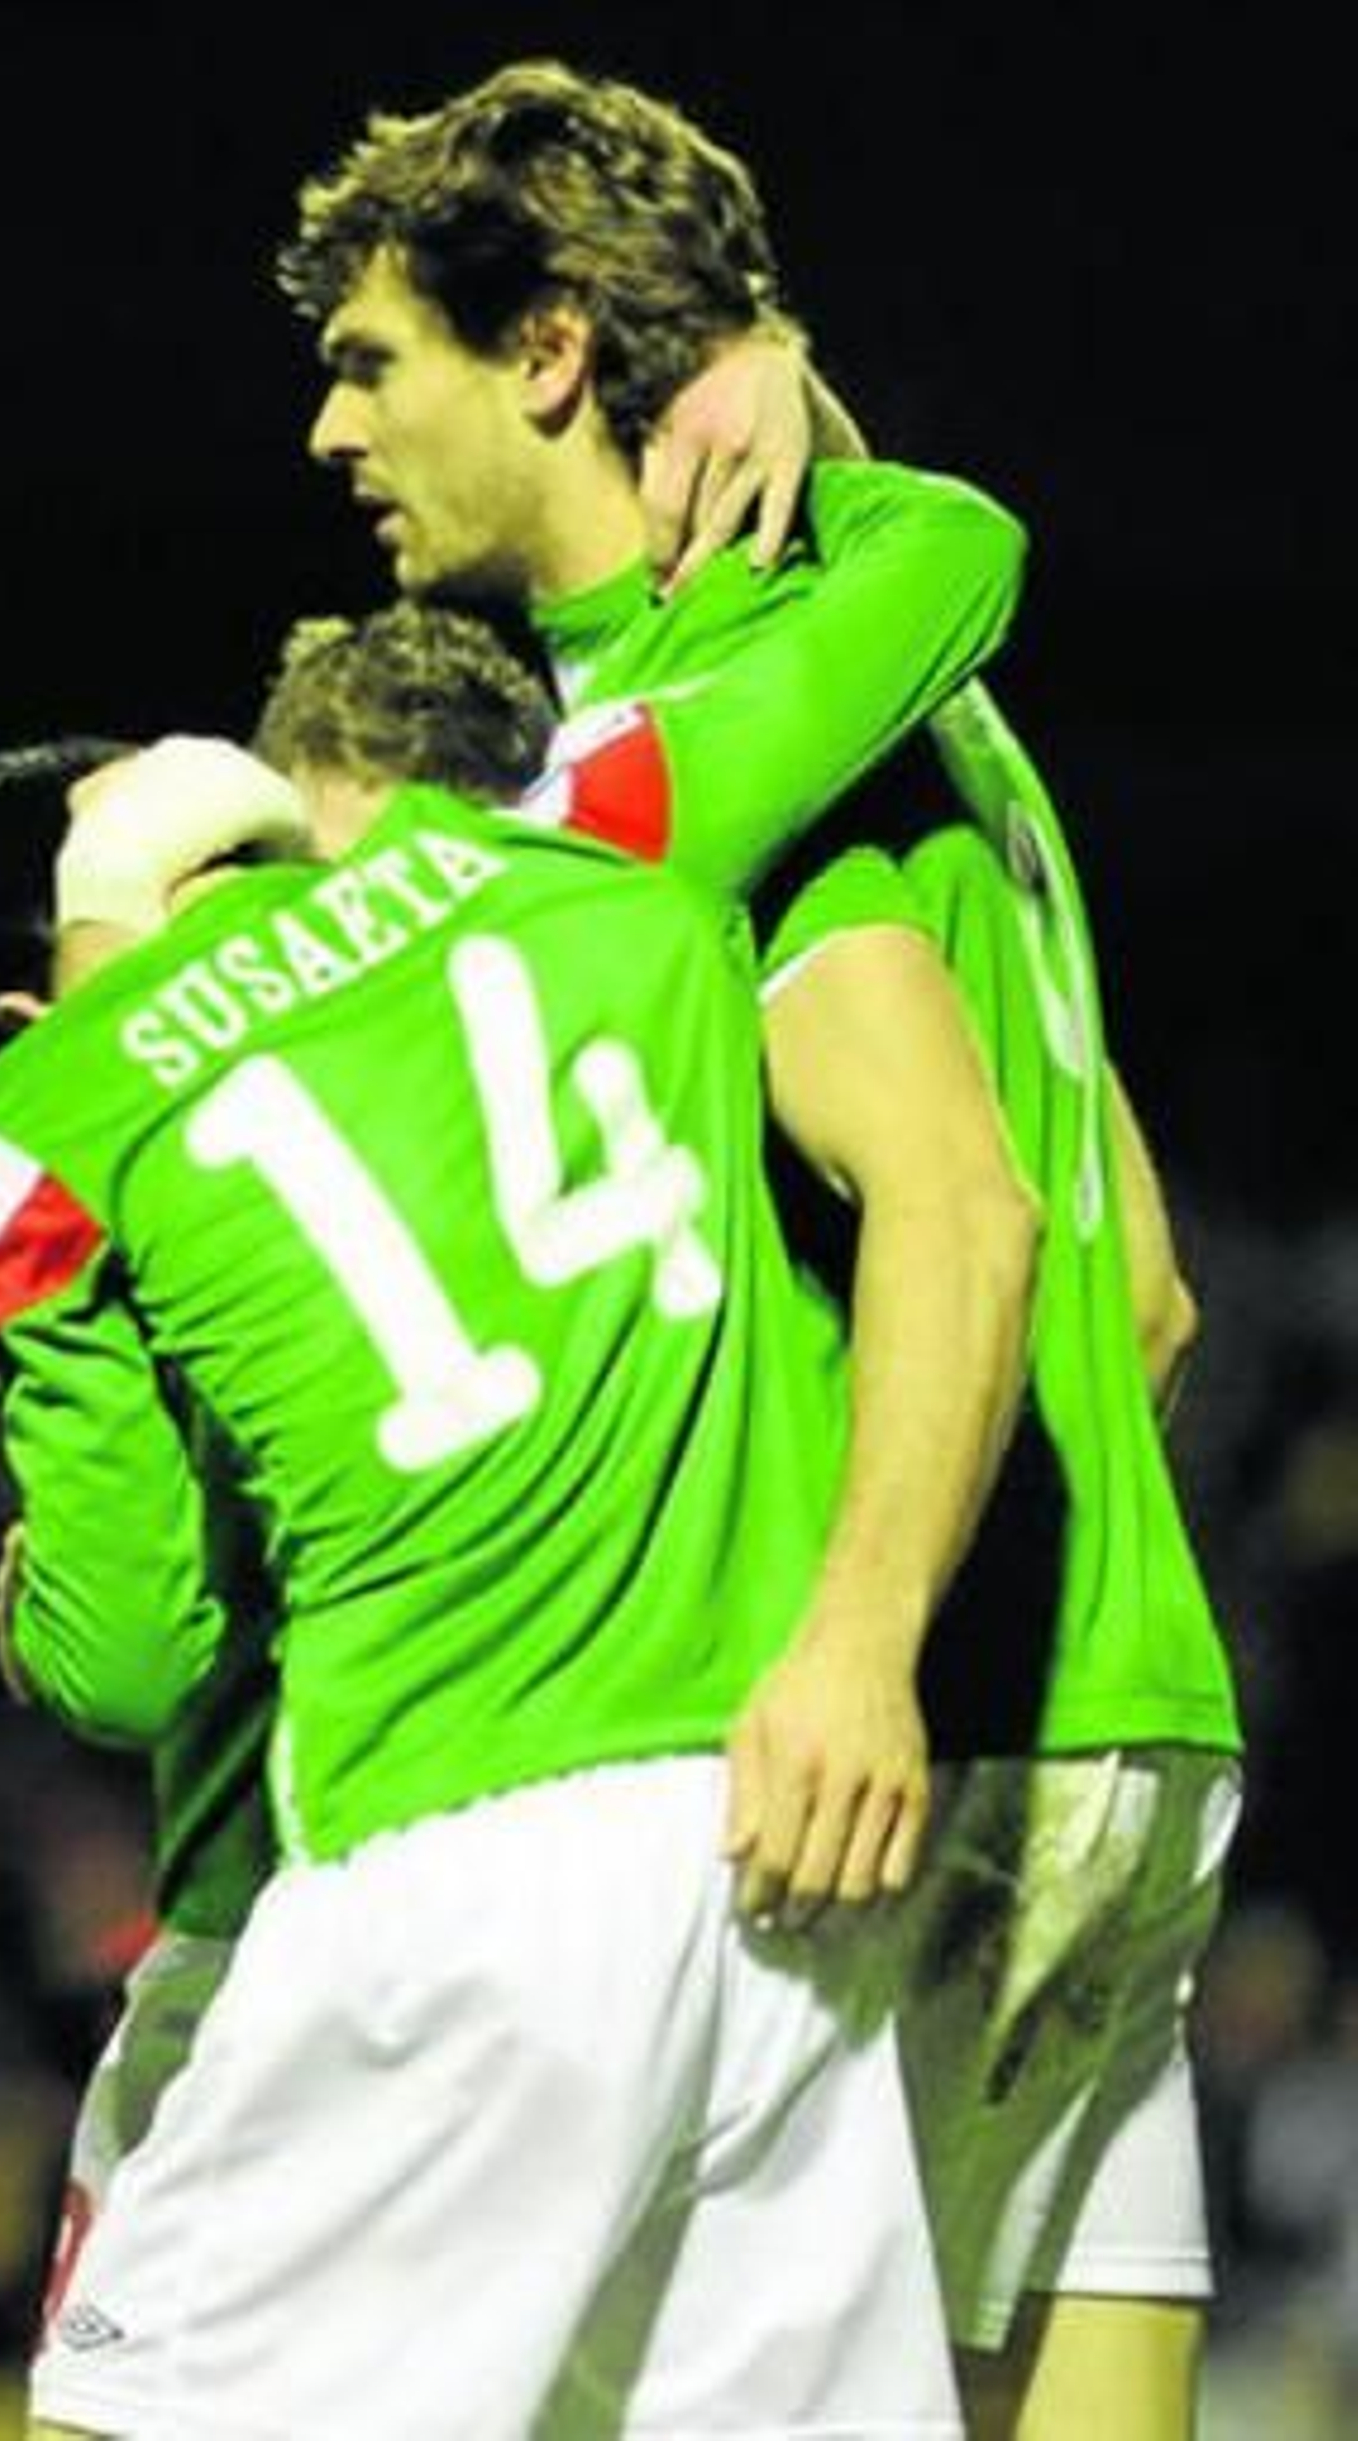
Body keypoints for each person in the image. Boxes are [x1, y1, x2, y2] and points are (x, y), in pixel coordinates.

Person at [279, 55, 1244, 2438]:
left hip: (885, 1754)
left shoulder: (725, 730)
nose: (326, 430)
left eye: (369, 358)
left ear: (552, 355)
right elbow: (1137, 1278)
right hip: (1117, 1713)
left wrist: (856, 1639)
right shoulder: (933, 705)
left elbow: (961, 1204)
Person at [0, 585, 1034, 2436]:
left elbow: (123, 1653)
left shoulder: (62, 1106)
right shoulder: (602, 882)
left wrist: (42, 1607)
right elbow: (948, 562)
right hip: (771, 1839)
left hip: (430, 1857)